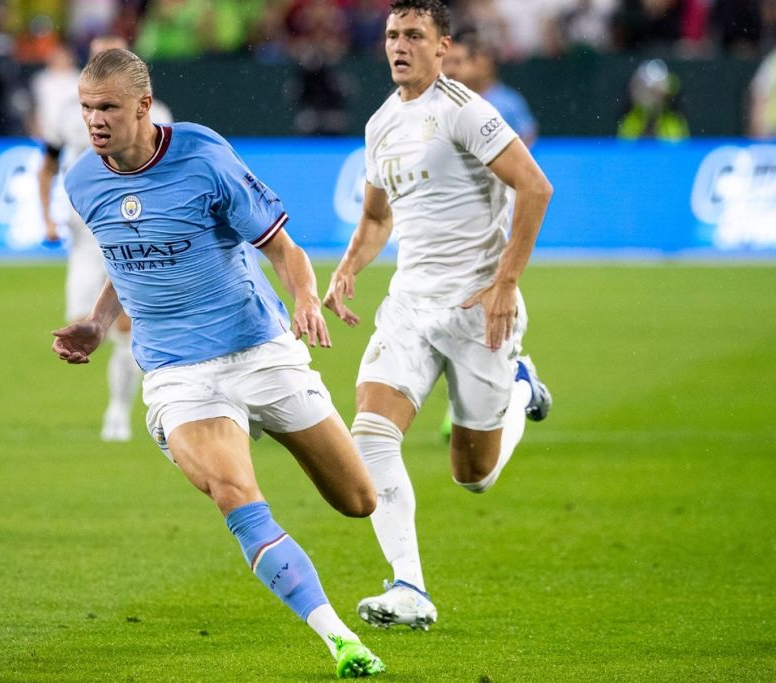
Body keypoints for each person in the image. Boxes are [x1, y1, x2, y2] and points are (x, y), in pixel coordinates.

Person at [50, 48, 386, 678]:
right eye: (87, 108)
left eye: (108, 109)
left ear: (144, 107)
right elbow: (126, 261)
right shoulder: (82, 181)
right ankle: (340, 639)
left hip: (260, 348)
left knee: (359, 500)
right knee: (235, 492)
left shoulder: (204, 157)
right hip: (179, 374)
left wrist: (307, 297)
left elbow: (282, 248)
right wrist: (96, 326)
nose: (94, 122)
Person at [323, 0, 553, 631]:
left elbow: (535, 187)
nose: (399, 45)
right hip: (408, 306)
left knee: (471, 476)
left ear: (442, 46)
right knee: (369, 434)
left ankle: (520, 385)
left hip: (477, 309)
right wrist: (347, 270)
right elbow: (375, 218)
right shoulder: (379, 124)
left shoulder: (466, 112)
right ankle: (409, 587)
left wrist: (506, 282)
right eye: (393, 35)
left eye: (414, 35)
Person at [34, 35, 172, 442]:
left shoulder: (156, 111)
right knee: (83, 321)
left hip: (131, 230)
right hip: (84, 238)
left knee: (125, 326)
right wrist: (46, 218)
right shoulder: (66, 113)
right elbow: (46, 164)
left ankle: (120, 410)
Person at [442, 26, 538, 147]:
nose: (451, 70)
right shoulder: (446, 100)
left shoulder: (508, 102)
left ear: (483, 64)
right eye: (446, 63)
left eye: (458, 62)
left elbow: (527, 136)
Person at [617, 58, 689, 141]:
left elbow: (679, 147)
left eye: (654, 91)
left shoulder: (673, 121)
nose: (650, 94)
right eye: (644, 89)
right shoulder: (631, 120)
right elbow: (624, 145)